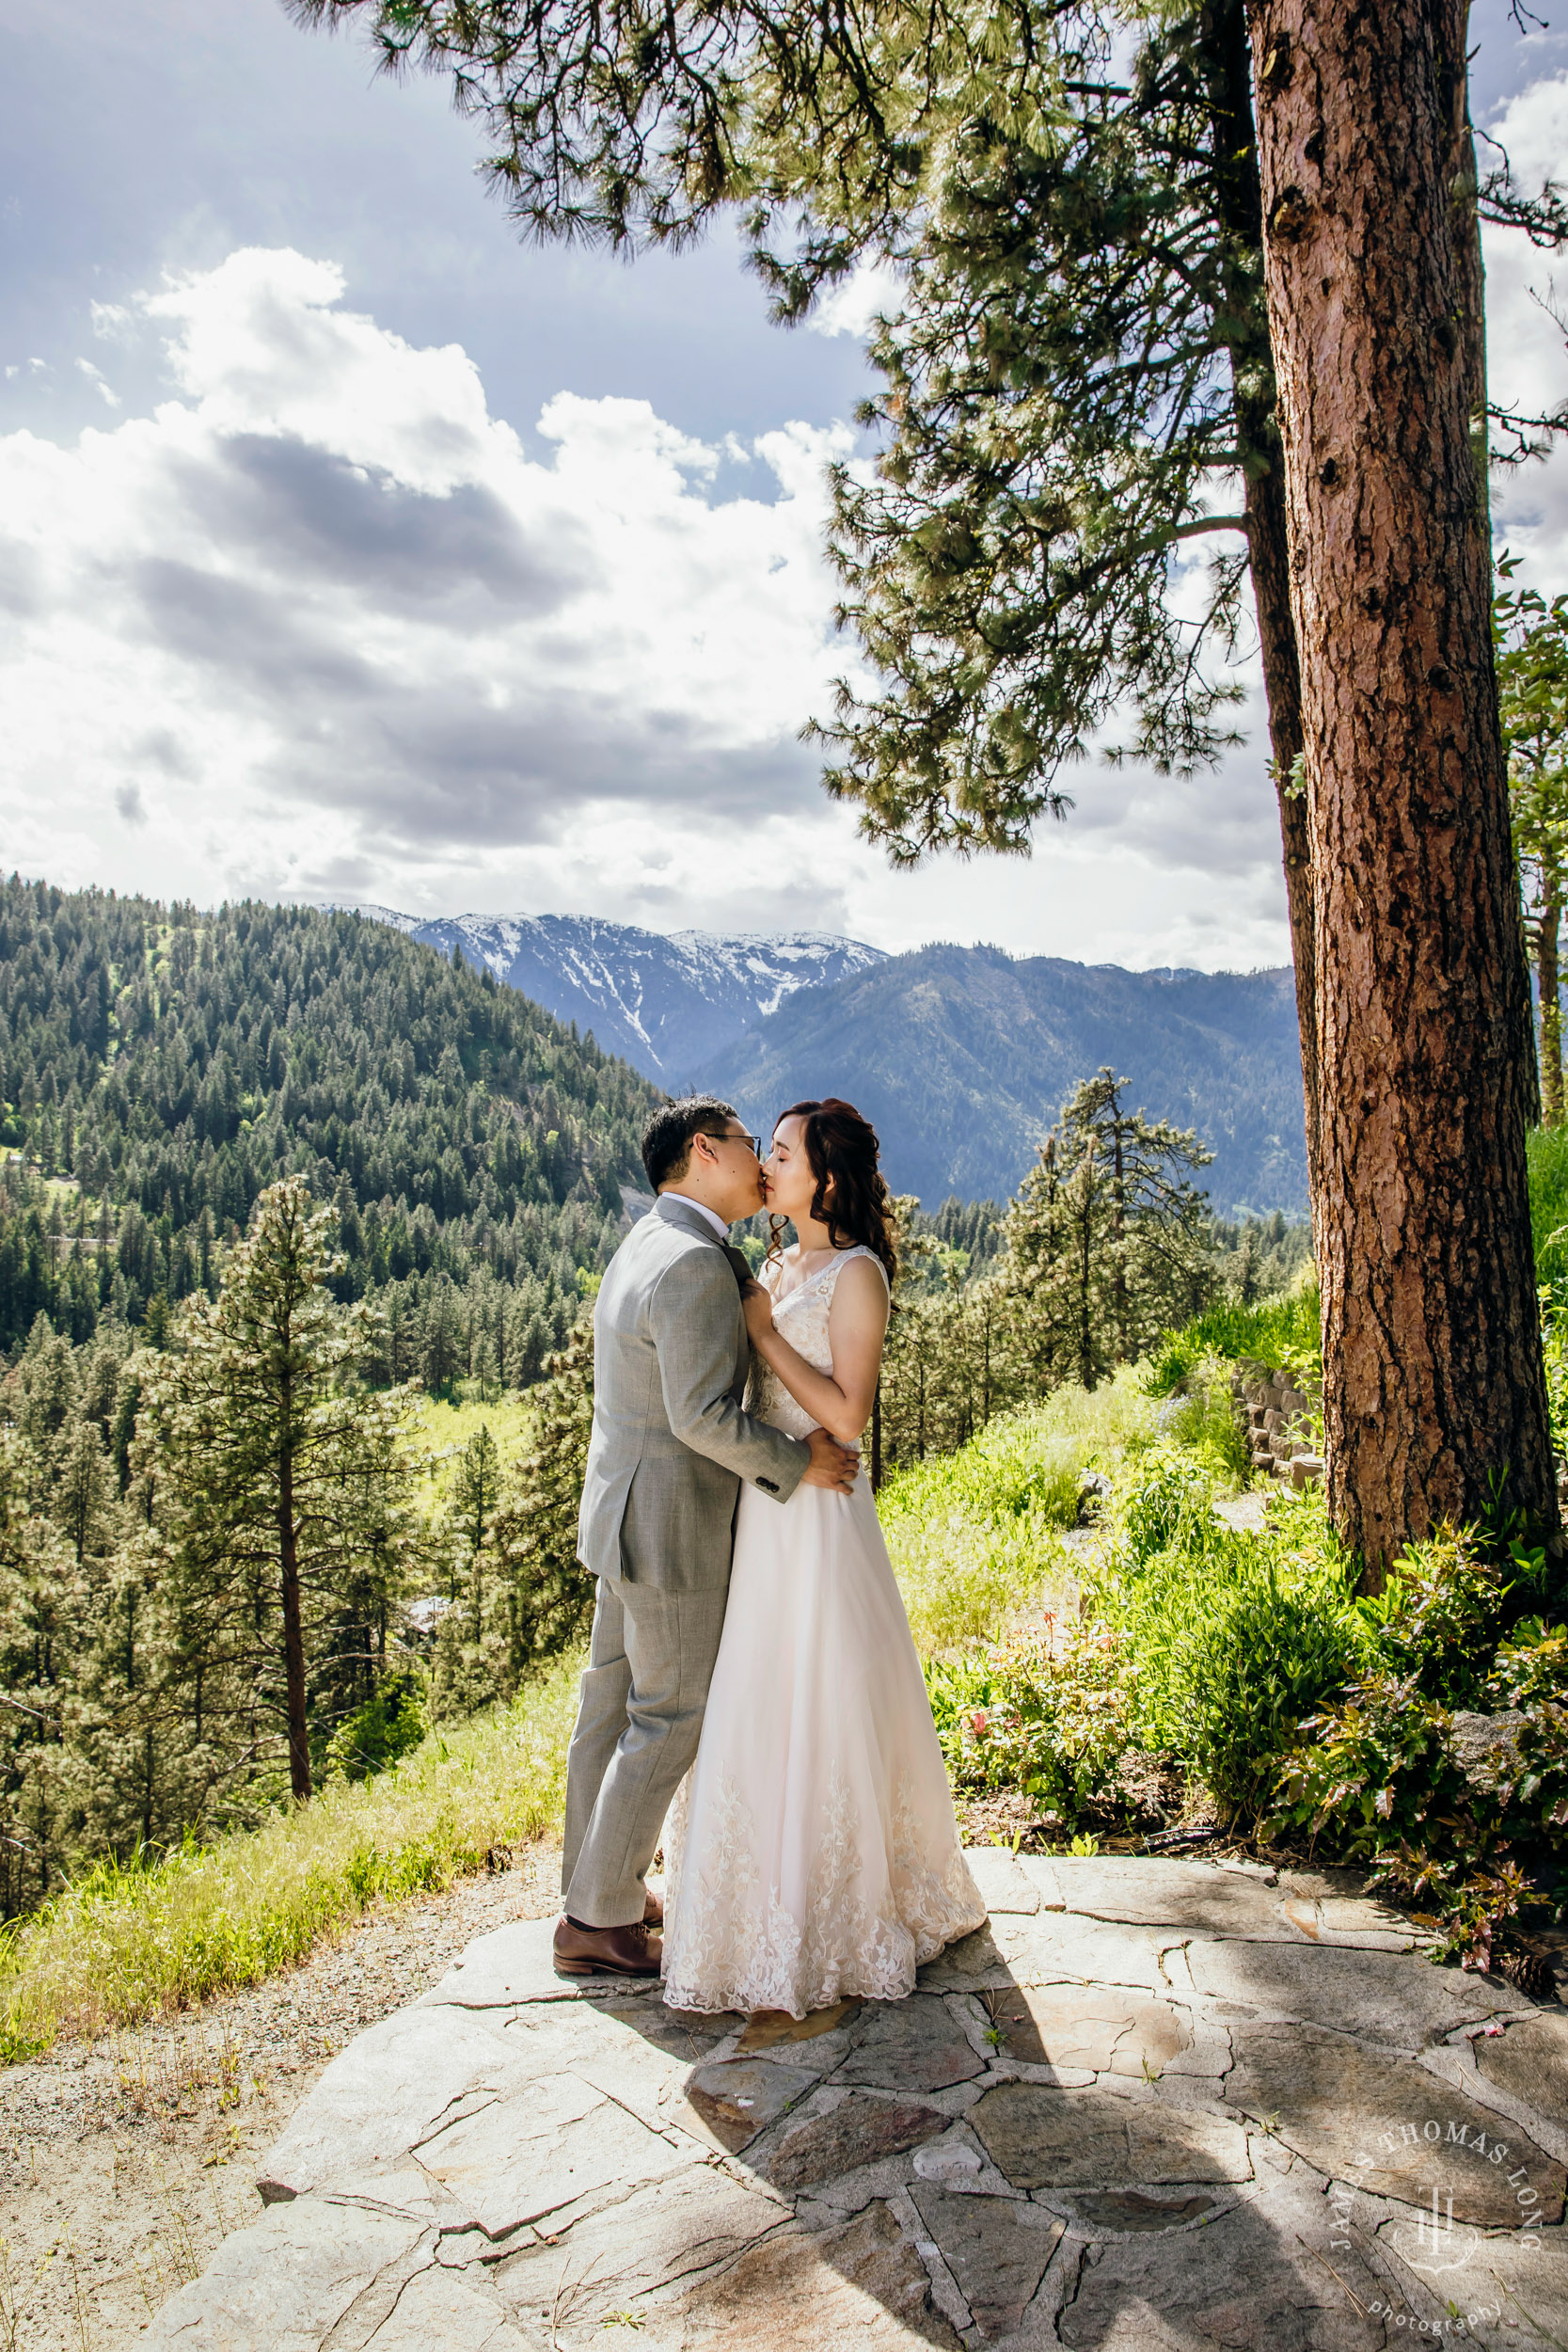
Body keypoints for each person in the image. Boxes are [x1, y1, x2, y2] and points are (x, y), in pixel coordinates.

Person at [661, 1098, 985, 2018]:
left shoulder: (855, 1275)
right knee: (756, 1696)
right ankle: (744, 1908)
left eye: (782, 1151)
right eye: (765, 1148)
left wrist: (763, 1331)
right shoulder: (775, 1262)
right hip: (762, 1512)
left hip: (819, 1512)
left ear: (825, 1178)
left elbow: (846, 1415)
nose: (766, 1163)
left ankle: (836, 1910)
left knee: (820, 1695)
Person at [555, 1096, 860, 1979]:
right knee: (670, 1714)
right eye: (744, 1145)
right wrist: (796, 1462)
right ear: (703, 1151)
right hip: (672, 1521)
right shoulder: (692, 1261)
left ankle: (593, 1880)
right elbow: (698, 1417)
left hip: (621, 1512)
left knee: (608, 1705)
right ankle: (597, 1921)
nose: (760, 1163)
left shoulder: (650, 1237)